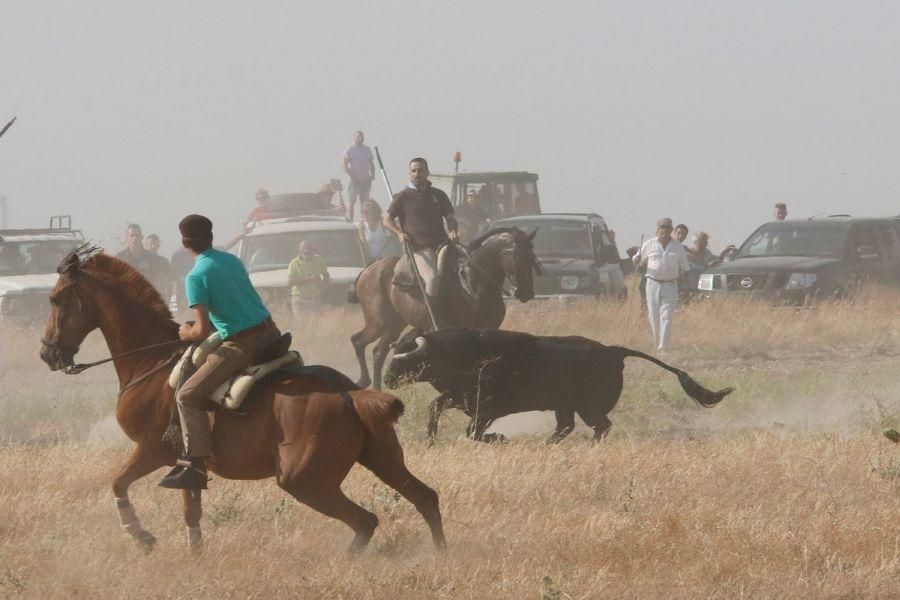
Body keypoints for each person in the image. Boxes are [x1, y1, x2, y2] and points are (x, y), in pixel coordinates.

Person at [159, 214, 281, 490]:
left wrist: (185, 332)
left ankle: (197, 467)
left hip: (243, 344)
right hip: (270, 333)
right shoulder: (232, 260)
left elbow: (201, 331)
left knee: (187, 395)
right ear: (211, 237)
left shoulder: (196, 275)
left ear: (184, 243)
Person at [383, 157, 459, 303]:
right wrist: (399, 233)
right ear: (410, 173)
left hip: (443, 245)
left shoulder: (439, 194)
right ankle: (433, 318)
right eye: (414, 171)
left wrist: (453, 230)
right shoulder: (402, 196)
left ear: (427, 172)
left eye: (421, 170)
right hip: (419, 249)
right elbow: (386, 220)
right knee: (432, 279)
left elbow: (450, 218)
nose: (417, 173)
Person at [633, 218, 690, 354]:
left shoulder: (677, 246)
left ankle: (663, 347)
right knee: (653, 315)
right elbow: (637, 260)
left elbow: (685, 267)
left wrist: (686, 284)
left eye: (667, 230)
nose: (664, 232)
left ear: (671, 231)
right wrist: (637, 260)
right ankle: (656, 342)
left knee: (667, 315)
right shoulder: (649, 244)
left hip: (670, 284)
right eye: (661, 230)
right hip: (652, 283)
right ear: (657, 230)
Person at [116, 224, 169, 295]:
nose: (134, 238)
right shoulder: (120, 258)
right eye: (132, 235)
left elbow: (159, 281)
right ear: (127, 237)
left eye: (137, 235)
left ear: (141, 237)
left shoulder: (152, 258)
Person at [286, 240, 330, 318]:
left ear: (312, 249)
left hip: (315, 298)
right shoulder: (294, 263)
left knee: (316, 323)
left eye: (309, 248)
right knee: (300, 324)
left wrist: (324, 285)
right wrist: (309, 279)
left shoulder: (319, 260)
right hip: (299, 299)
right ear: (299, 249)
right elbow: (290, 282)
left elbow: (326, 275)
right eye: (304, 248)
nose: (307, 250)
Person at [342, 131, 375, 222]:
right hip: (354, 181)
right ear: (354, 138)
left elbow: (372, 164)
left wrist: (372, 175)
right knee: (352, 202)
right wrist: (352, 175)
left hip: (365, 180)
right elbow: (344, 165)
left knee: (364, 202)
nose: (360, 139)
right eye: (358, 137)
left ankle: (363, 221)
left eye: (361, 137)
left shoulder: (367, 149)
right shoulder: (350, 149)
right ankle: (350, 221)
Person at [170, 247, 195, 311]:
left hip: (194, 286)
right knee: (183, 308)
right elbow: (174, 273)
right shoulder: (177, 255)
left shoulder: (196, 253)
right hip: (181, 287)